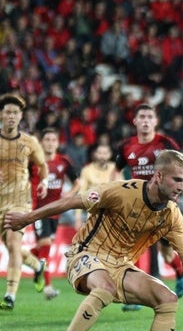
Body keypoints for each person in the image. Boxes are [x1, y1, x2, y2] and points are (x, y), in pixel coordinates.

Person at [4, 150, 183, 331]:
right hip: (85, 254)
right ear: (159, 175)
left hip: (121, 265)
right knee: (105, 287)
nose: (182, 187)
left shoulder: (171, 215)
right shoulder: (121, 191)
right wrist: (27, 218)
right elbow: (71, 201)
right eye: (177, 180)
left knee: (168, 299)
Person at [115, 103, 183, 309]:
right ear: (135, 121)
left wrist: (176, 191)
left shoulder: (165, 143)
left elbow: (181, 169)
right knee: (132, 249)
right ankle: (137, 297)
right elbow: (116, 170)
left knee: (165, 253)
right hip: (138, 205)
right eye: (142, 117)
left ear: (155, 121)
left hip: (164, 206)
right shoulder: (126, 146)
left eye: (149, 117)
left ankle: (179, 270)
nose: (146, 120)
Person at [0, 93, 49, 310]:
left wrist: (45, 181)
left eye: (15, 112)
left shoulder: (29, 142)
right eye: (7, 112)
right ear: (1, 115)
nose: (11, 116)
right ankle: (37, 266)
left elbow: (42, 165)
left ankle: (10, 295)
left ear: (21, 116)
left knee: (13, 243)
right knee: (13, 249)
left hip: (20, 200)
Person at [31, 127, 80, 299]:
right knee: (46, 244)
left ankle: (30, 259)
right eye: (47, 140)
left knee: (42, 249)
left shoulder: (63, 162)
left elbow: (77, 183)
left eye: (53, 140)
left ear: (57, 143)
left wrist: (69, 194)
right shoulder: (34, 162)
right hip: (37, 210)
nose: (50, 143)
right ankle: (47, 287)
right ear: (42, 142)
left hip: (55, 212)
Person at [74, 142, 119, 228]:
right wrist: (78, 218)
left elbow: (122, 192)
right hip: (93, 213)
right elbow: (81, 193)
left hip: (112, 213)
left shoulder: (115, 168)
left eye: (105, 153)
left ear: (110, 154)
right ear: (95, 154)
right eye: (100, 153)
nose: (102, 156)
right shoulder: (87, 170)